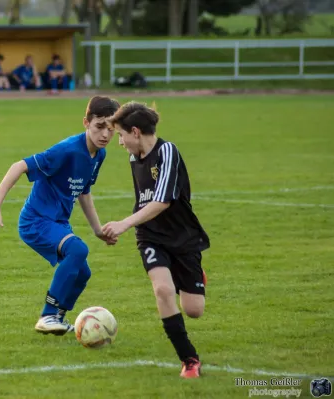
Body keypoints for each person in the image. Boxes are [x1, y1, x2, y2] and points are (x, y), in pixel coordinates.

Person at [0, 96, 121, 335]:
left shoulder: (99, 155)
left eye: (111, 129)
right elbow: (19, 165)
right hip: (36, 221)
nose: (105, 135)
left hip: (57, 222)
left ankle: (57, 317)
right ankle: (47, 315)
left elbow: (84, 191)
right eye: (99, 127)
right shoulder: (67, 150)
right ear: (85, 122)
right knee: (77, 250)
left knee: (82, 272)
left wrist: (98, 229)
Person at [102, 102, 210, 379]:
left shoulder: (167, 152)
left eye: (121, 136)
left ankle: (191, 275)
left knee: (194, 310)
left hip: (183, 237)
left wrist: (124, 223)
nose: (121, 143)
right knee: (162, 291)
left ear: (135, 132)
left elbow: (162, 200)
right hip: (151, 236)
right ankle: (189, 360)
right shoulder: (133, 158)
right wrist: (133, 226)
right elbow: (144, 200)